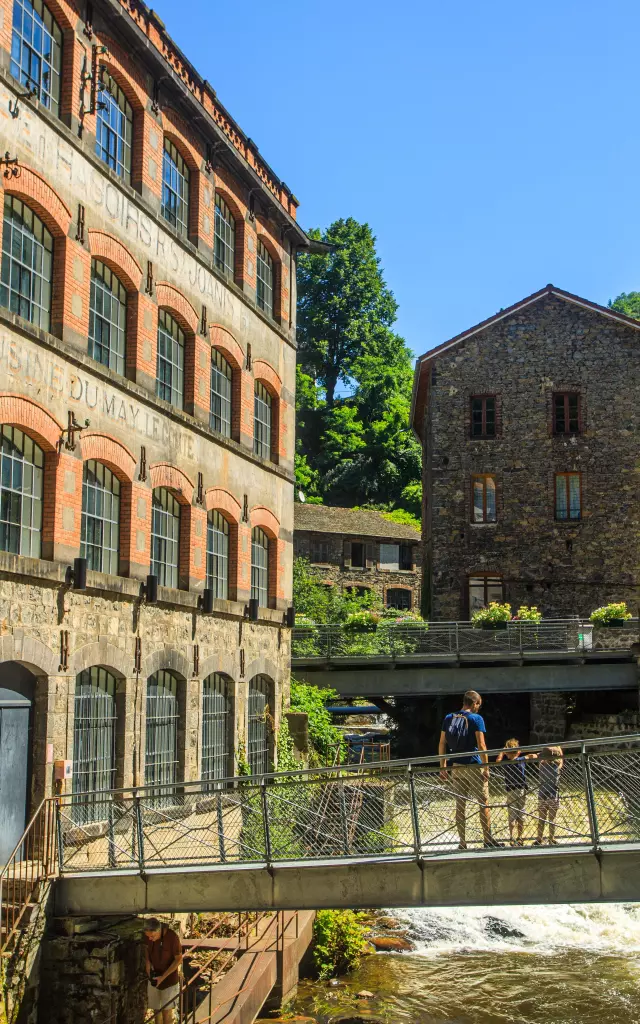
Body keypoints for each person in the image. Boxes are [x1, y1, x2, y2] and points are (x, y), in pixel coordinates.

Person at [438, 690, 502, 849]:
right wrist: (486, 767)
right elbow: (482, 745)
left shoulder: (448, 718)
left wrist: (443, 766)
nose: (479, 708)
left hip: (456, 767)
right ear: (475, 703)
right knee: (484, 803)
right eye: (479, 705)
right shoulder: (476, 718)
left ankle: (462, 843)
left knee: (460, 806)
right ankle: (487, 840)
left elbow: (442, 743)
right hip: (474, 765)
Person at [495, 739, 537, 847]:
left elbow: (497, 761)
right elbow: (532, 756)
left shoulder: (506, 763)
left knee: (512, 815)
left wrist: (501, 752)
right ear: (517, 751)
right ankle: (520, 837)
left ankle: (511, 837)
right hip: (521, 790)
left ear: (507, 752)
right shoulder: (521, 759)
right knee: (521, 813)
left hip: (510, 790)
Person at [144, 918, 183, 1024]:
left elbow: (179, 960)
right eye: (148, 937)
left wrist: (163, 977)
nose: (150, 939)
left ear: (159, 930)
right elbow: (146, 948)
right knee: (156, 1011)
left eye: (152, 936)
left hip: (169, 981)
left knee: (167, 1012)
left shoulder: (172, 937)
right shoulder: (149, 936)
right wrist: (148, 964)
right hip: (154, 978)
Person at [534, 746, 564, 846]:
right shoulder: (557, 767)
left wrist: (540, 754)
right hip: (553, 796)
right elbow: (561, 759)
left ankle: (539, 838)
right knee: (552, 819)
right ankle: (552, 838)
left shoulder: (541, 766)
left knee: (541, 819)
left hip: (542, 796)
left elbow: (539, 758)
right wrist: (559, 749)